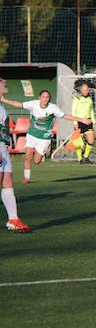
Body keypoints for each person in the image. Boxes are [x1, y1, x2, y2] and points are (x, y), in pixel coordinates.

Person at [0, 90, 91, 184]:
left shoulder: (53, 108)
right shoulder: (33, 104)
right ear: (39, 98)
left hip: (44, 138)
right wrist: (4, 100)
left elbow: (65, 116)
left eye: (47, 97)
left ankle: (40, 151)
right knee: (28, 156)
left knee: (36, 161)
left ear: (49, 99)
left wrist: (81, 120)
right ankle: (26, 178)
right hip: (32, 135)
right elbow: (19, 104)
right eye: (43, 97)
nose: (45, 99)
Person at [0, 78, 30, 232]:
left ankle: (13, 219)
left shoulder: (1, 107)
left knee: (7, 183)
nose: (4, 82)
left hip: (3, 151)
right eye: (2, 82)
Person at [71, 82, 96, 164]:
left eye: (87, 90)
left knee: (91, 140)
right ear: (81, 90)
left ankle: (85, 157)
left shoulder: (89, 99)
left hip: (88, 121)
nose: (85, 91)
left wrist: (94, 121)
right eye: (84, 90)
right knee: (79, 142)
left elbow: (91, 111)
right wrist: (75, 122)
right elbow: (73, 111)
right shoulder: (77, 99)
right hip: (79, 121)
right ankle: (79, 159)